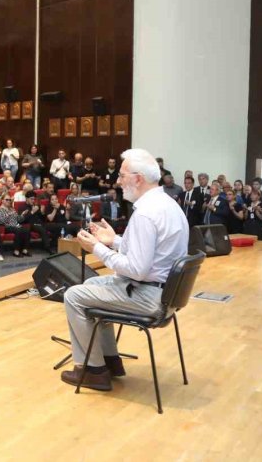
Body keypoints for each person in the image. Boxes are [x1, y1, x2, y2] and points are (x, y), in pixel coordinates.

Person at [62, 149, 188, 391]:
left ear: (138, 178)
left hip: (149, 297)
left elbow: (136, 270)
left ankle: (93, 370)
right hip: (164, 295)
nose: (118, 181)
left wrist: (97, 248)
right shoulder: (168, 205)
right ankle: (111, 361)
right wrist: (114, 241)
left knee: (73, 296)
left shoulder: (145, 214)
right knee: (91, 286)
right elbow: (154, 253)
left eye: (122, 176)